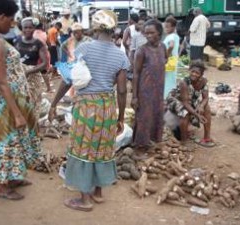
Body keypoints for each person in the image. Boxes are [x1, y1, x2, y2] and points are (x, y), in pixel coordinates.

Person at [48, 10, 129, 211]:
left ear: (95, 28)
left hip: (86, 108)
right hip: (107, 107)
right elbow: (121, 90)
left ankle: (84, 200)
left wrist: (53, 104)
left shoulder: (84, 48)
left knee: (83, 148)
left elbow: (69, 79)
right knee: (102, 147)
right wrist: (119, 117)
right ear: (113, 29)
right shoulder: (120, 55)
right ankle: (98, 193)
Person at [0, 0, 40, 200]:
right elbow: (2, 81)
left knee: (11, 140)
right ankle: (2, 187)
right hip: (1, 102)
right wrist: (17, 113)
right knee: (5, 140)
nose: (12, 25)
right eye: (11, 20)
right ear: (1, 16)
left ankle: (12, 178)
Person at [131, 19, 167, 154]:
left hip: (159, 90)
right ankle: (140, 147)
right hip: (144, 91)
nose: (149, 35)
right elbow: (135, 74)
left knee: (157, 115)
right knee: (144, 117)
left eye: (152, 32)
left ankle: (153, 142)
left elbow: (165, 59)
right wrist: (134, 96)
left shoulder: (162, 47)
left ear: (159, 33)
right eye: (146, 33)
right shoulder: (141, 51)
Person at [165, 60, 214, 147]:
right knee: (185, 112)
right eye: (192, 71)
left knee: (207, 108)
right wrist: (197, 115)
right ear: (189, 71)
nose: (194, 74)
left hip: (190, 100)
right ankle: (184, 141)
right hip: (176, 100)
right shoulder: (184, 82)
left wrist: (201, 106)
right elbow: (185, 103)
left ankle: (206, 138)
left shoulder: (204, 82)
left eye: (197, 73)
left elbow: (205, 98)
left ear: (201, 75)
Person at [14, 17, 48, 121]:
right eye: (25, 28)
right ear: (22, 29)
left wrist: (29, 71)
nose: (28, 30)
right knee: (20, 101)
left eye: (30, 27)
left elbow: (44, 63)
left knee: (34, 102)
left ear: (34, 29)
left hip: (33, 77)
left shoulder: (38, 43)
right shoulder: (17, 41)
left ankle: (34, 128)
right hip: (18, 75)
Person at [163, 16, 180, 99]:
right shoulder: (175, 36)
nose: (166, 29)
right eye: (165, 27)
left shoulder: (171, 36)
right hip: (173, 60)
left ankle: (167, 97)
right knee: (171, 79)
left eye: (167, 27)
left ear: (173, 27)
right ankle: (170, 96)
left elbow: (171, 45)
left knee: (167, 80)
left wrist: (166, 55)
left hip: (169, 61)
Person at [33, 22, 52, 92]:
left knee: (34, 71)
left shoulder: (32, 34)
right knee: (44, 71)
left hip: (34, 55)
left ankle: (35, 89)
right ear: (41, 27)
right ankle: (48, 88)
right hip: (44, 54)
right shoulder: (44, 34)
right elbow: (49, 44)